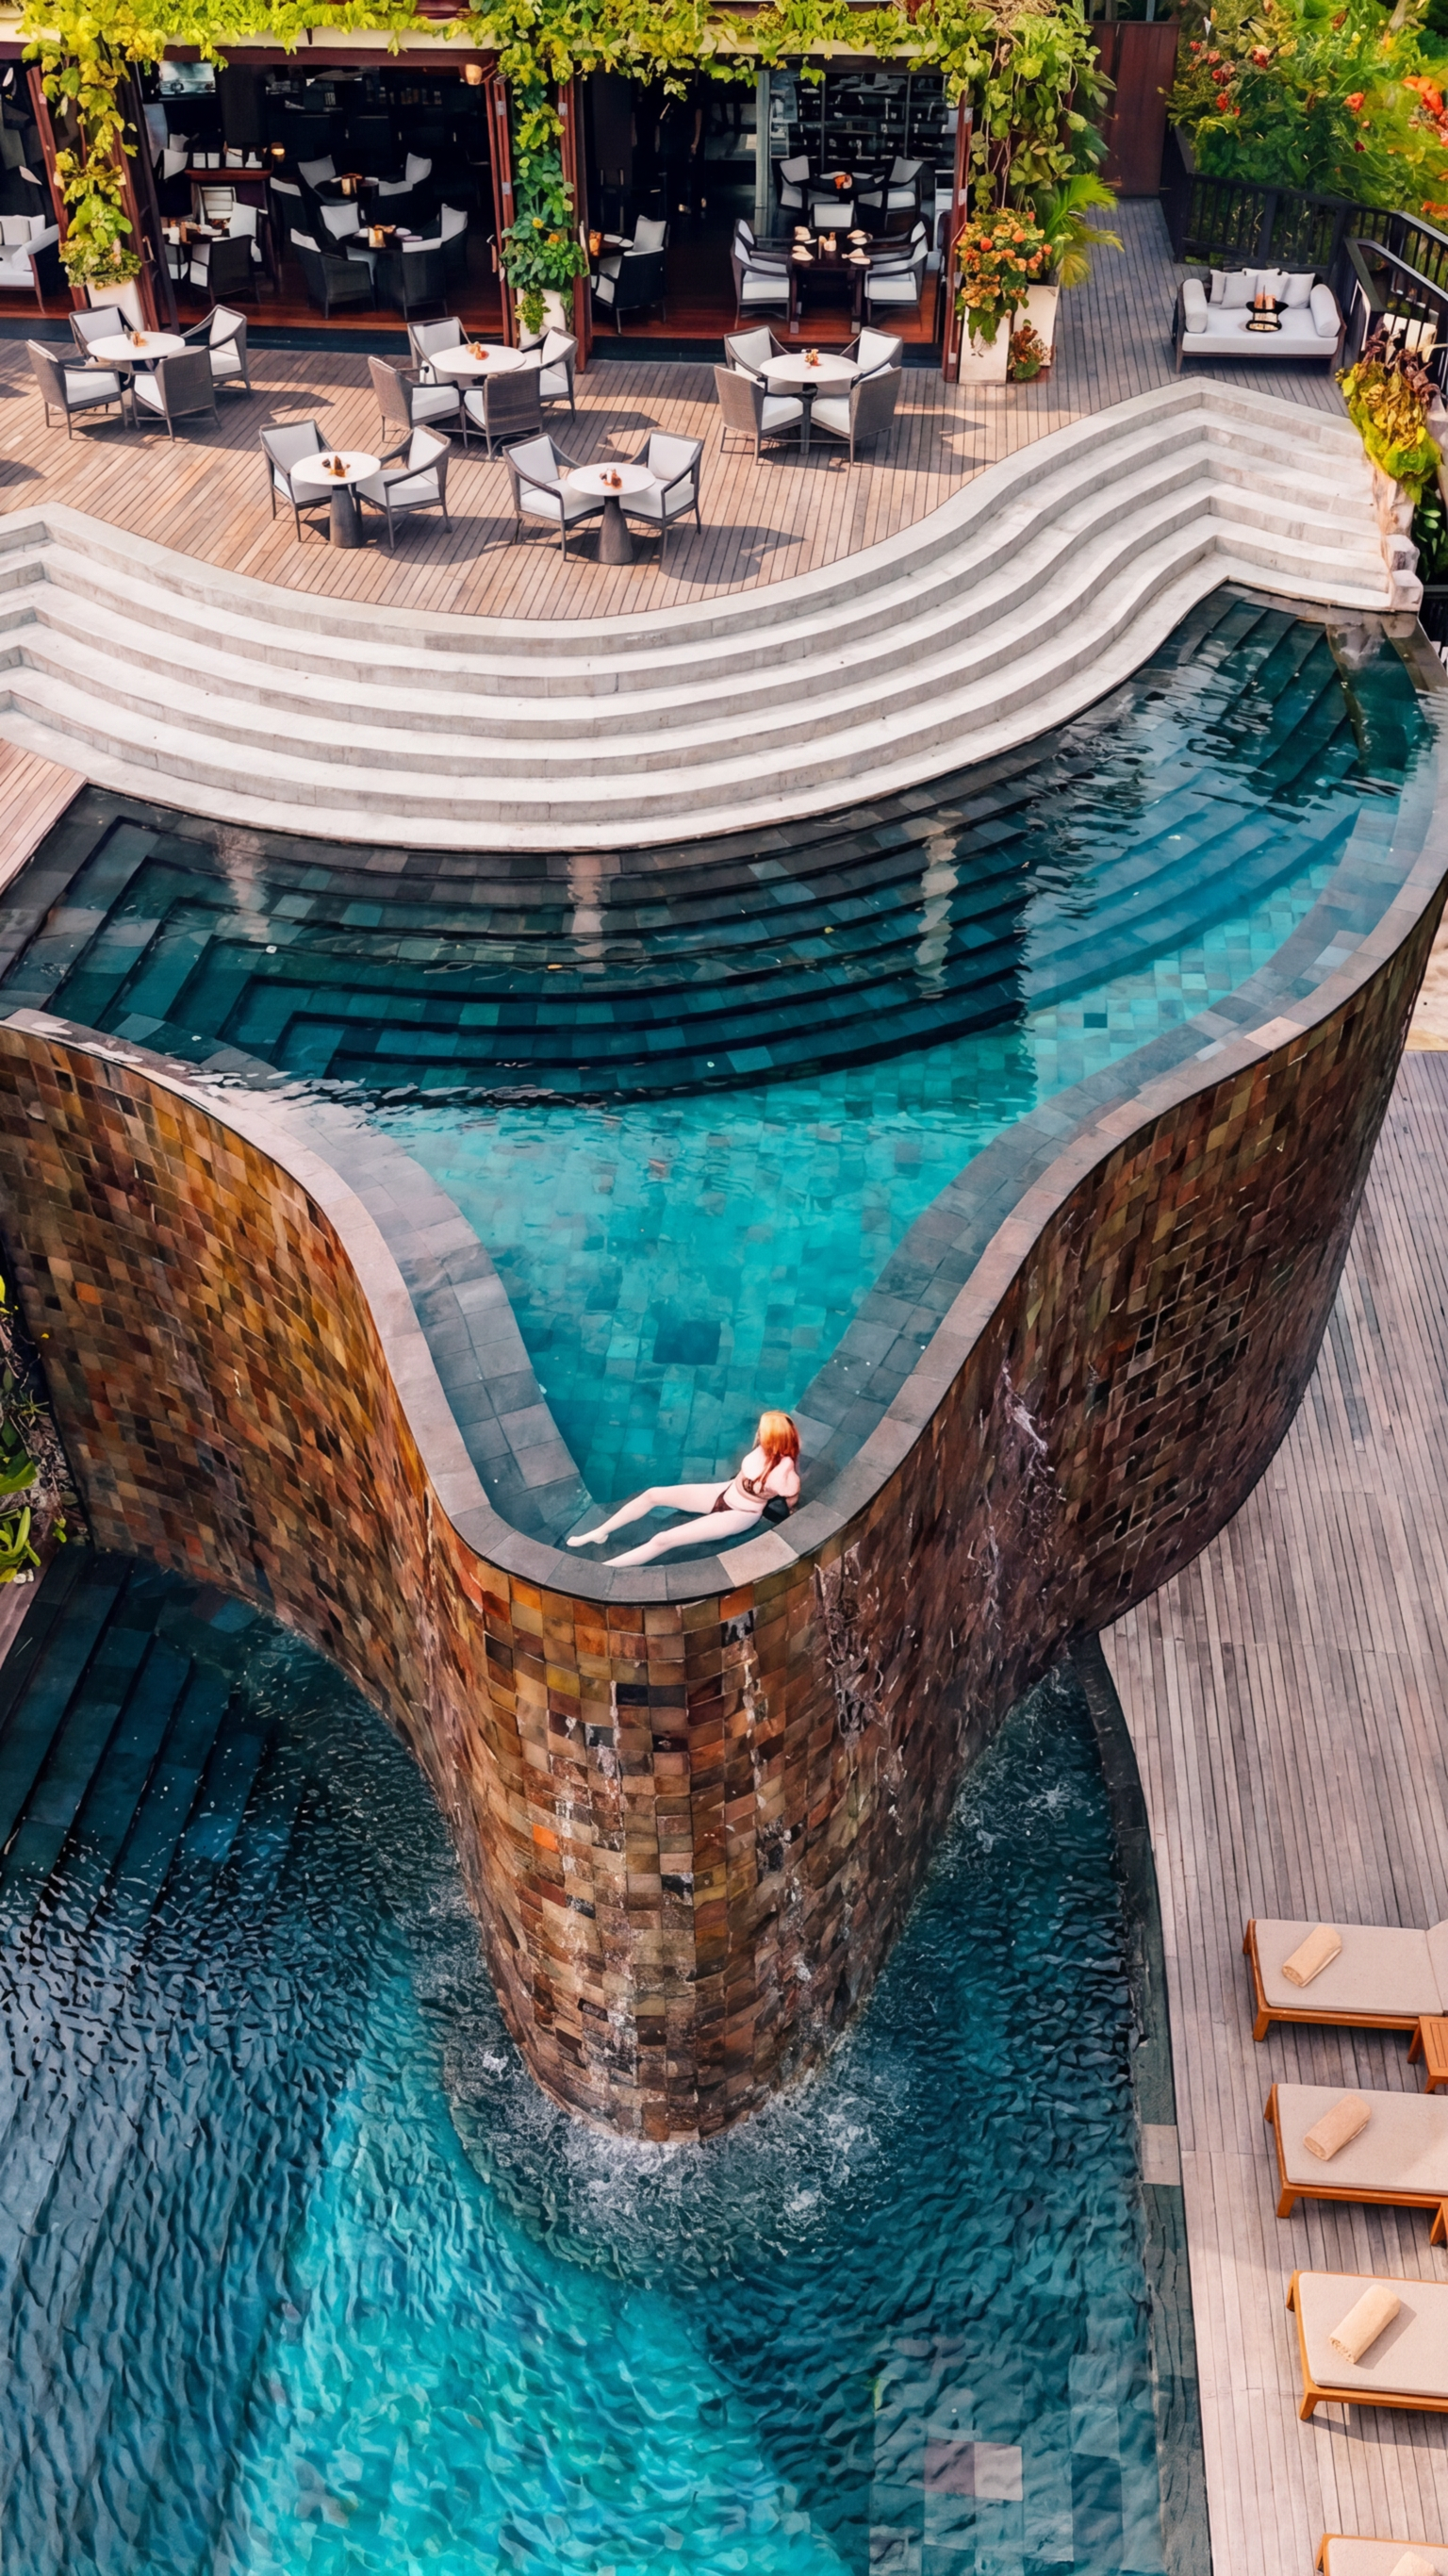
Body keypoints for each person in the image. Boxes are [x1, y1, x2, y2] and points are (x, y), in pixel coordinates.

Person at [568, 1411, 801, 1566]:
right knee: (653, 1495)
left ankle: (607, 1569)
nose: (758, 1433)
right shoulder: (763, 1449)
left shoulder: (785, 1475)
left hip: (741, 1514)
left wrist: (789, 1512)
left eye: (763, 1431)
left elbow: (790, 1502)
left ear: (775, 1439)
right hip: (724, 1491)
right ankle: (599, 1533)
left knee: (663, 1539)